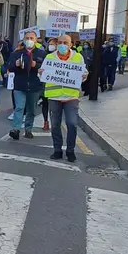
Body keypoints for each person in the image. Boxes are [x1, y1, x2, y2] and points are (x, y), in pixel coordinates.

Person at [40, 34, 87, 162]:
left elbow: (82, 74)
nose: (62, 45)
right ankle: (57, 150)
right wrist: (40, 73)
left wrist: (84, 75)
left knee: (72, 124)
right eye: (60, 42)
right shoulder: (50, 58)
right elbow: (43, 76)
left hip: (71, 97)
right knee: (55, 125)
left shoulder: (78, 57)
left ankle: (70, 151)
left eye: (65, 43)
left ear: (71, 44)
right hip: (54, 97)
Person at [7, 30, 46, 140]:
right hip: (20, 85)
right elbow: (9, 67)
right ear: (24, 40)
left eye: (31, 38)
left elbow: (46, 69)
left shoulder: (42, 54)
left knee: (31, 109)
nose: (29, 40)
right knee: (19, 107)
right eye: (27, 38)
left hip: (34, 86)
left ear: (36, 40)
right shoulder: (16, 53)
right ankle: (16, 129)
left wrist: (36, 65)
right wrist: (16, 64)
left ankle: (28, 129)